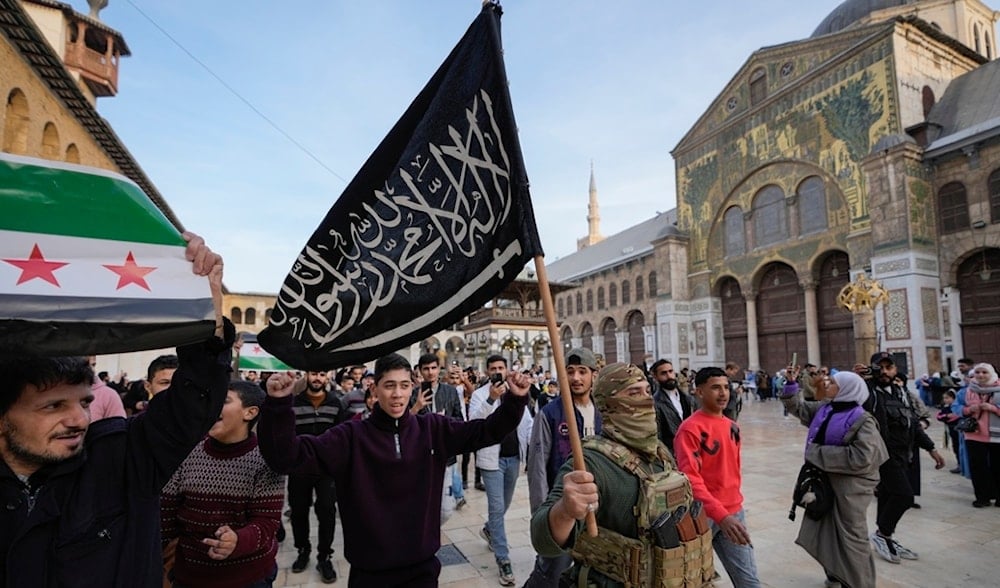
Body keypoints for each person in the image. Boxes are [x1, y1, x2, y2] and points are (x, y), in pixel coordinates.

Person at [0, 233, 230, 587]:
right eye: (53, 406)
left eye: (84, 402)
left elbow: (193, 401)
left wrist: (201, 308)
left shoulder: (122, 458)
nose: (79, 420)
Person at [258, 352, 530, 587]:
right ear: (374, 390)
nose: (397, 394)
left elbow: (486, 432)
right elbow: (287, 457)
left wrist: (515, 400)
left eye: (403, 385)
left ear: (412, 387)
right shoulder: (351, 437)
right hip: (370, 572)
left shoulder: (433, 429)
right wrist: (278, 405)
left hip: (421, 569)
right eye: (389, 385)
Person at [530, 363, 710, 587]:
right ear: (608, 404)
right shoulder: (591, 462)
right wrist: (565, 510)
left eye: (646, 391)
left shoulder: (660, 453)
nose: (646, 400)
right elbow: (541, 538)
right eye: (633, 393)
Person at [161, 380, 285, 588]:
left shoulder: (266, 458)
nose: (212, 405)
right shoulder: (189, 450)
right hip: (190, 575)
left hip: (248, 577)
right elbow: (166, 509)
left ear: (250, 412)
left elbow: (267, 522)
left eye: (224, 400)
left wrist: (237, 540)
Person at [781, 368, 888, 588]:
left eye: (832, 384)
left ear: (848, 390)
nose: (826, 386)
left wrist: (816, 452)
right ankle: (836, 572)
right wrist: (791, 384)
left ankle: (860, 582)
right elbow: (797, 408)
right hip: (826, 482)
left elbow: (863, 457)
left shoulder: (863, 420)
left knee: (851, 536)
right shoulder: (825, 409)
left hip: (851, 488)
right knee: (826, 530)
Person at [674, 367, 761, 587]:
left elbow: (732, 471)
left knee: (748, 579)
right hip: (701, 516)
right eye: (715, 388)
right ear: (699, 392)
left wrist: (731, 510)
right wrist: (720, 515)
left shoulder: (733, 427)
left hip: (733, 512)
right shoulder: (690, 429)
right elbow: (691, 479)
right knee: (691, 579)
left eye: (725, 387)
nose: (723, 393)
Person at [857, 352, 945, 564]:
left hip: (903, 454)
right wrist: (860, 380)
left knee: (888, 495)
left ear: (896, 369)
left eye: (890, 367)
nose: (885, 372)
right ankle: (883, 534)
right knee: (905, 496)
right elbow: (851, 400)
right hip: (883, 456)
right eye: (881, 367)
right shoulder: (868, 392)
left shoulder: (900, 392)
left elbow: (913, 424)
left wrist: (931, 448)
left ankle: (885, 535)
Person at [524, 347, 601, 588]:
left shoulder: (603, 413)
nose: (576, 377)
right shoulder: (550, 413)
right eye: (570, 371)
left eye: (582, 371)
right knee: (552, 570)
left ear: (594, 375)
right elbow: (537, 467)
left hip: (598, 508)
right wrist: (542, 515)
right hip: (563, 508)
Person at [469, 354, 533, 586]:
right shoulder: (479, 394)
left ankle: (489, 530)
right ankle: (503, 559)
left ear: (506, 370)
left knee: (504, 504)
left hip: (513, 458)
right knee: (496, 508)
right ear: (487, 371)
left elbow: (527, 423)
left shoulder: (515, 391)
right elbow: (474, 422)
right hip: (491, 460)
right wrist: (489, 399)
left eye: (501, 367)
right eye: (493, 368)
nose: (498, 371)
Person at [286, 370, 346, 583]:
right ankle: (303, 550)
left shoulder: (336, 404)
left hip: (326, 470)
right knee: (299, 512)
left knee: (327, 512)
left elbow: (341, 437)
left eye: (321, 374)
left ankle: (324, 556)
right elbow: (287, 435)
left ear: (327, 377)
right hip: (299, 469)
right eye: (313, 374)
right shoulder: (293, 403)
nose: (317, 378)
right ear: (307, 376)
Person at [410, 353, 465, 523]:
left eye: (433, 368)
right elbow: (405, 425)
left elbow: (459, 420)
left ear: (439, 369)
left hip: (444, 455)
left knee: (445, 510)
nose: (430, 372)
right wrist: (417, 407)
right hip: (420, 456)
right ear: (420, 371)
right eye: (426, 369)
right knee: (422, 504)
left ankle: (432, 532)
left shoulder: (450, 391)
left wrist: (443, 420)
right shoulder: (412, 395)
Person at [959, 362, 1000, 507]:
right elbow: (957, 407)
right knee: (978, 467)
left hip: (997, 435)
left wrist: (994, 408)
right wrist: (969, 410)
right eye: (978, 372)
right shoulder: (967, 390)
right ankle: (982, 497)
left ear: (992, 374)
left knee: (998, 466)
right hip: (974, 434)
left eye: (984, 372)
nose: (981, 375)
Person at [651, 358, 693, 455]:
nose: (669, 376)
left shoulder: (688, 399)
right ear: (656, 377)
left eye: (670, 371)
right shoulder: (655, 403)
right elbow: (658, 435)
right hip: (673, 454)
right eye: (663, 373)